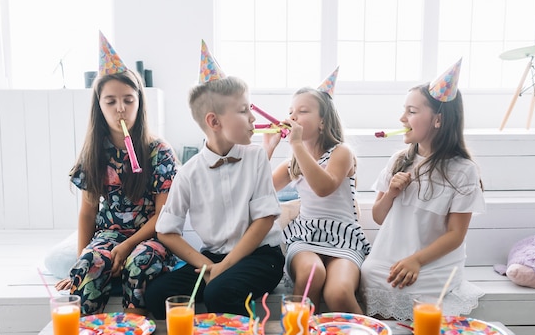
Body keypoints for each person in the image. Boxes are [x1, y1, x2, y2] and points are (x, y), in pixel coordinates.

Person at [143, 40, 284, 319]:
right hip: (214, 258)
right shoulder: (189, 172)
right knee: (156, 295)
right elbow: (166, 230)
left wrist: (225, 266)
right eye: (244, 110)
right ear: (214, 121)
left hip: (261, 257)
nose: (253, 118)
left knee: (218, 291)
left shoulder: (255, 157)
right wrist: (208, 266)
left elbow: (265, 219)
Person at [55, 32, 179, 316]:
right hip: (109, 234)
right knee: (90, 264)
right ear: (99, 106)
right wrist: (82, 264)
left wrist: (126, 247)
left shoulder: (159, 151)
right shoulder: (95, 153)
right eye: (110, 101)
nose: (120, 108)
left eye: (128, 100)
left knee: (140, 262)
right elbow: (88, 212)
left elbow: (163, 216)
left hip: (152, 236)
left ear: (140, 103)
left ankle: (133, 331)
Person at [360, 59, 485, 320]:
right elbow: (379, 217)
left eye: (412, 111)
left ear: (438, 119)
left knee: (412, 287)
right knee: (370, 274)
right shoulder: (398, 160)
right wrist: (392, 193)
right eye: (404, 110)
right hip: (391, 255)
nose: (402, 118)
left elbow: (455, 235)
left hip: (433, 261)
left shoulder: (463, 170)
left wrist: (416, 260)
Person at [262, 68, 372, 314]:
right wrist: (267, 150)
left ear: (323, 121)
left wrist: (297, 145)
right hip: (305, 236)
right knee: (313, 274)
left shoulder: (341, 152)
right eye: (291, 112)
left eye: (302, 111)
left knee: (339, 293)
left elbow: (323, 187)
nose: (293, 116)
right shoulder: (293, 161)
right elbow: (257, 192)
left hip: (344, 238)